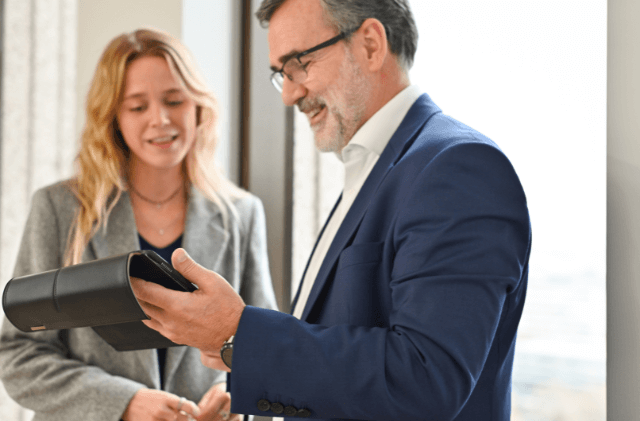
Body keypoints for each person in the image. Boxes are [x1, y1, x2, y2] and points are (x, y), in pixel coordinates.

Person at [130, 1, 531, 420]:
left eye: (300, 64)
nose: (289, 93)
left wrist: (238, 332)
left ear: (372, 45)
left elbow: (425, 380)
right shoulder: (378, 168)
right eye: (281, 74)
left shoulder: (456, 167)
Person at [0, 28, 277, 421]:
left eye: (174, 100)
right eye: (137, 106)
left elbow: (263, 346)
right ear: (113, 116)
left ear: (198, 107)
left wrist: (232, 393)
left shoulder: (242, 213)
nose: (160, 120)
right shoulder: (59, 209)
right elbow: (19, 355)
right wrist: (124, 402)